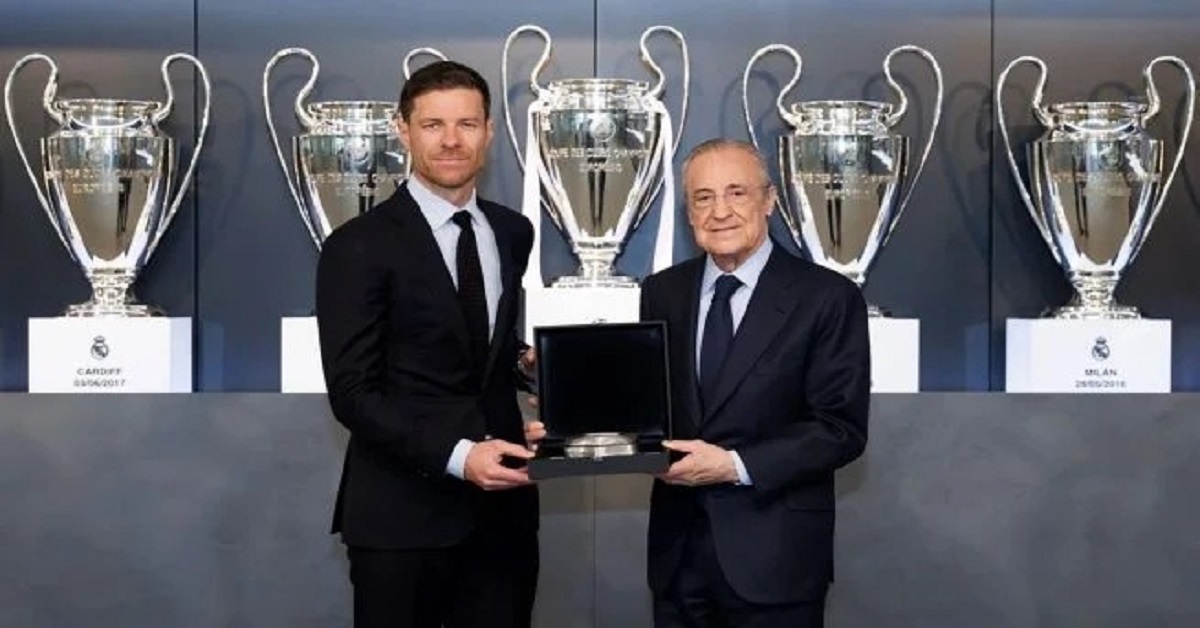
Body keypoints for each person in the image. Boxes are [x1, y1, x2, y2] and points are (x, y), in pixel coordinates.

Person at [528, 137, 870, 627]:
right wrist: (570, 422)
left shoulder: (827, 297)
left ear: (769, 201)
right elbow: (651, 403)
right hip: (678, 561)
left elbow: (840, 429)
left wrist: (732, 465)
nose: (720, 211)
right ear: (689, 211)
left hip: (775, 562)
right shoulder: (664, 290)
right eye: (703, 197)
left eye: (736, 193)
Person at [316, 60, 539, 628]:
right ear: (403, 131)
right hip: (400, 520)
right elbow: (352, 392)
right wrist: (460, 456)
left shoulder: (512, 232)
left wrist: (529, 366)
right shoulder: (356, 246)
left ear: (489, 131)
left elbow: (476, 344)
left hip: (503, 520)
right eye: (433, 124)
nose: (451, 140)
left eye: (467, 124)